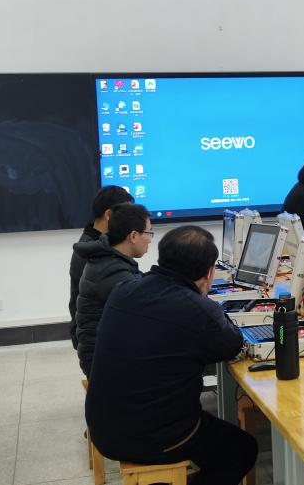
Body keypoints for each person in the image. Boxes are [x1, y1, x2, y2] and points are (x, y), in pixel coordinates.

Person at [85, 226, 257, 484]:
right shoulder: (197, 310)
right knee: (241, 449)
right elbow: (232, 344)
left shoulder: (124, 289)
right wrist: (206, 302)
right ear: (209, 272)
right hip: (153, 437)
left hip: (102, 428)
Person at [74, 203, 152, 378]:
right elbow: (146, 312)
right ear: (133, 236)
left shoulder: (112, 259)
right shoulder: (113, 270)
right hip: (104, 363)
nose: (150, 240)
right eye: (149, 233)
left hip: (103, 354)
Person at [68, 185, 133, 350]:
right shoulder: (92, 251)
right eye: (127, 215)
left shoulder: (100, 245)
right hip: (93, 338)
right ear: (109, 215)